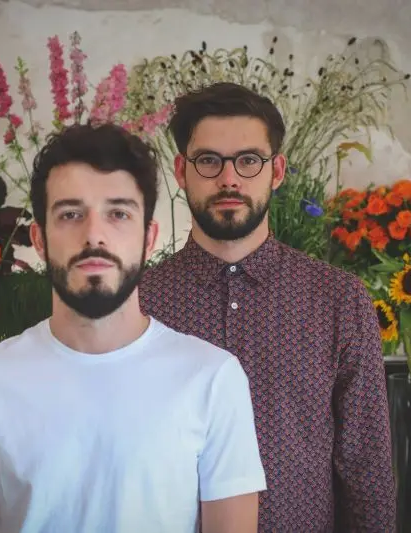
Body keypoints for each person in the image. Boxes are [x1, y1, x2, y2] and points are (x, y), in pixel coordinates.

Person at [0, 123, 267, 533]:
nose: (94, 235)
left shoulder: (213, 378)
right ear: (40, 239)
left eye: (118, 213)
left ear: (148, 238)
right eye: (70, 214)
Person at [139, 82, 396, 532]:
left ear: (276, 170)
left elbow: (366, 468)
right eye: (209, 160)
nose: (229, 178)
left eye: (248, 160)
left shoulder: (338, 299)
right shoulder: (140, 302)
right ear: (181, 171)